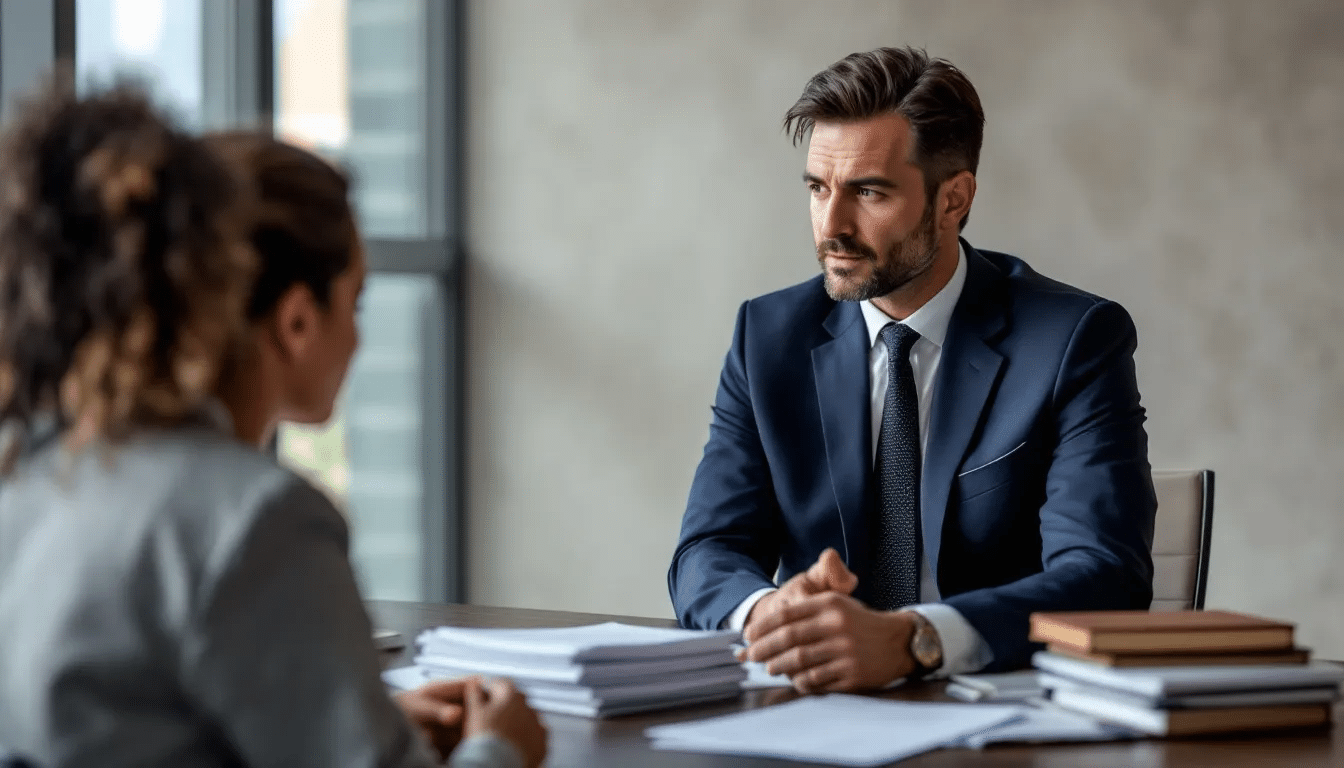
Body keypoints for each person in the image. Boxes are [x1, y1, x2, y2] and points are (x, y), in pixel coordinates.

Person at [0, 84, 545, 768]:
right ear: (295, 321)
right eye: (356, 301)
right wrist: (501, 749)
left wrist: (348, 721)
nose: (359, 337)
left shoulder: (35, 480)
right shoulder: (253, 521)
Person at [668, 46, 1157, 689]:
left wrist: (916, 640)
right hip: (813, 713)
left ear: (953, 199)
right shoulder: (767, 338)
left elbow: (1105, 572)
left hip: (996, 715)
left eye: (869, 192)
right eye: (818, 188)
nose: (831, 226)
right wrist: (767, 612)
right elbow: (708, 550)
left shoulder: (1073, 340)